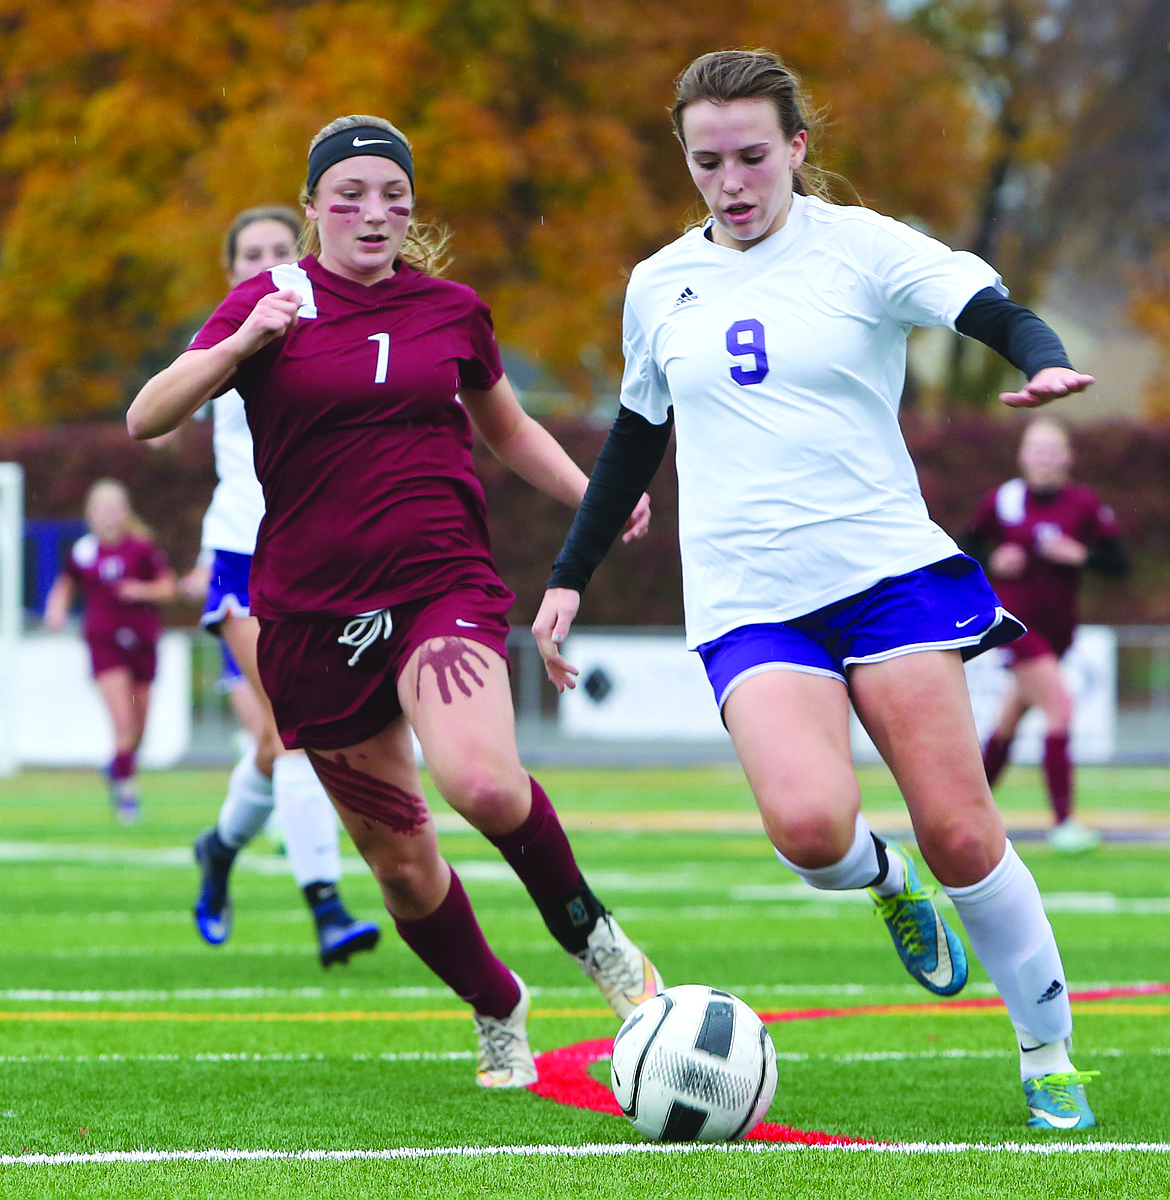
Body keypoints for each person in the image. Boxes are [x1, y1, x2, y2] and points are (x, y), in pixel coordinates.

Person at [532, 50, 1099, 1129]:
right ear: (686, 162)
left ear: (797, 148)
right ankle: (888, 884)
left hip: (884, 574)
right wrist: (570, 575)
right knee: (806, 829)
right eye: (709, 163)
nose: (733, 182)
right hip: (748, 594)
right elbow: (637, 436)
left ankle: (1046, 1052)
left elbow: (986, 304)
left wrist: (1049, 356)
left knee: (966, 833)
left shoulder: (860, 248)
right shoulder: (660, 285)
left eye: (753, 156)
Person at [126, 115, 663, 1088]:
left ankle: (601, 945)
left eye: (393, 196)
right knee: (405, 868)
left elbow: (506, 429)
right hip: (308, 621)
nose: (375, 212)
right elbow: (146, 416)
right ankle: (498, 1003)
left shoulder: (451, 309)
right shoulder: (265, 304)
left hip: (437, 589)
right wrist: (246, 337)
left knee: (486, 784)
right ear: (312, 210)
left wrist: (598, 495)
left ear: (412, 207)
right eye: (351, 196)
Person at [178, 206, 380, 969]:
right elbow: (169, 406)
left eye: (277, 250)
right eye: (249, 255)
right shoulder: (225, 339)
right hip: (242, 553)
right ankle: (326, 905)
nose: (266, 263)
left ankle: (221, 846)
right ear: (232, 273)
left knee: (274, 739)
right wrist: (242, 341)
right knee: (292, 733)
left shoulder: (336, 325)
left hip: (326, 558)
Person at [963, 417, 1128, 854]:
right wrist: (994, 560)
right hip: (1016, 626)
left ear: (1068, 457)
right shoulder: (1004, 499)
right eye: (1036, 449)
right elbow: (964, 549)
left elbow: (1116, 563)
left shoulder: (1084, 503)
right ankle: (1063, 823)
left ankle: (965, 808)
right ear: (1022, 456)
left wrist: (1082, 555)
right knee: (1060, 708)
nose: (1044, 458)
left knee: (1008, 722)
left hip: (1058, 631)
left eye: (1052, 449)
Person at [43, 479, 176, 822]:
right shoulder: (84, 551)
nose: (108, 515)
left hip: (143, 643)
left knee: (140, 729)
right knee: (123, 721)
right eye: (101, 508)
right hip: (105, 645)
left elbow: (167, 588)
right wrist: (56, 608)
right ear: (90, 514)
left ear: (125, 512)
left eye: (114, 508)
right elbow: (65, 584)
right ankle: (127, 796)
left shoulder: (142, 548)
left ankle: (115, 768)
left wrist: (140, 591)